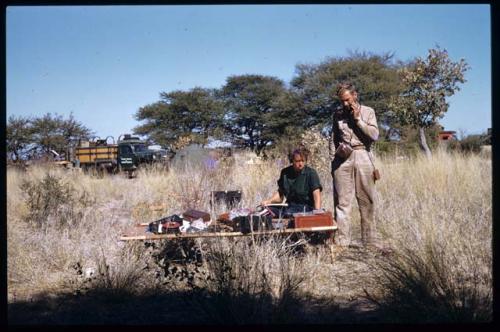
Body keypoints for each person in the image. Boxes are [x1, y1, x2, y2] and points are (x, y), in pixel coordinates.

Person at [329, 82, 381, 249]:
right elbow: (333, 138)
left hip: (363, 155)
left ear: (355, 96)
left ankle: (370, 243)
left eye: (347, 100)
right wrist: (333, 159)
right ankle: (342, 242)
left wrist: (358, 120)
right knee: (342, 203)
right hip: (342, 158)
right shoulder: (337, 115)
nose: (344, 104)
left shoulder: (368, 111)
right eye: (341, 101)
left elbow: (374, 135)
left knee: (366, 201)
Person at [261, 147, 322, 217]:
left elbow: (316, 194)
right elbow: (280, 194)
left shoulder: (311, 173)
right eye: (298, 161)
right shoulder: (285, 173)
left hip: (306, 208)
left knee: (288, 212)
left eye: (303, 161)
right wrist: (269, 201)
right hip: (289, 206)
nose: (300, 164)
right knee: (266, 210)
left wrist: (317, 212)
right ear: (292, 160)